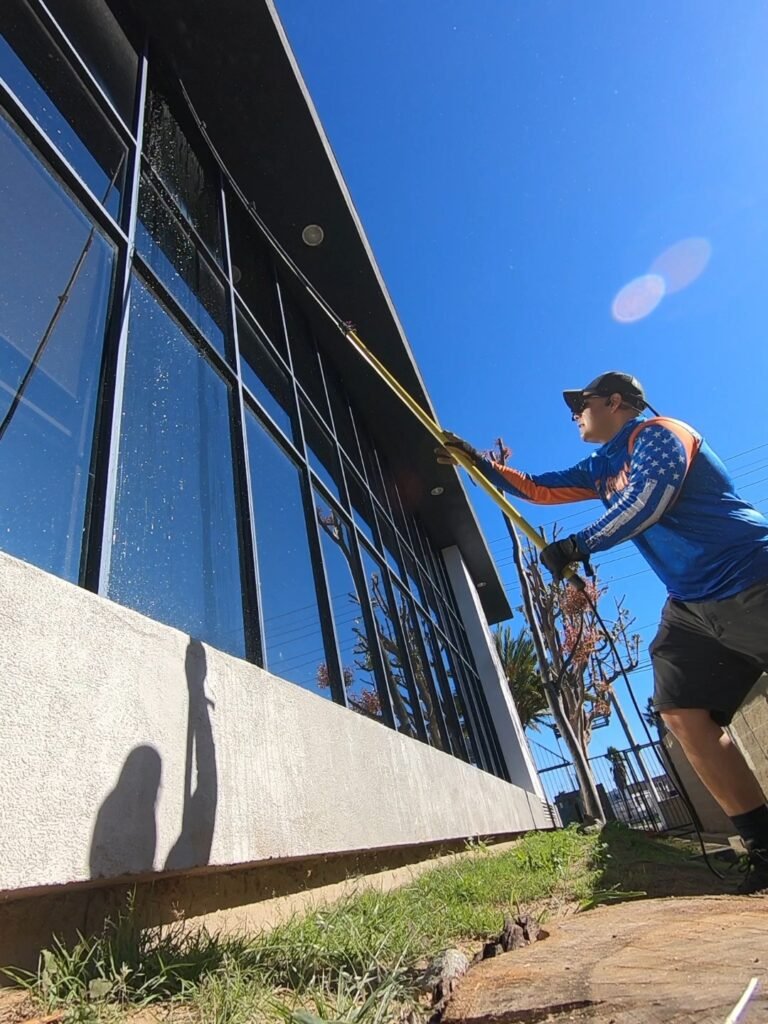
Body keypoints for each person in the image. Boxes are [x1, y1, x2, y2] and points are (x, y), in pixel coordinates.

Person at [440, 370, 768, 894]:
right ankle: (765, 847)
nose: (575, 414)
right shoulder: (600, 468)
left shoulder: (661, 433)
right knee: (683, 714)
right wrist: (477, 462)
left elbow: (648, 500)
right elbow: (539, 489)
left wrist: (576, 546)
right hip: (692, 606)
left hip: (752, 574)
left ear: (616, 401)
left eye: (582, 403)